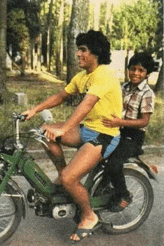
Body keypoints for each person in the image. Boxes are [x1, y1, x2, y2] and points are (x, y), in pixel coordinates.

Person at [23, 29, 122, 242]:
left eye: (83, 50)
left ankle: (88, 215)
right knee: (44, 133)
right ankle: (65, 178)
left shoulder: (104, 75)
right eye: (78, 50)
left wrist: (64, 128)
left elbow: (87, 104)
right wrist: (35, 109)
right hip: (87, 130)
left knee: (70, 177)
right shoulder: (82, 76)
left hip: (105, 135)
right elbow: (61, 96)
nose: (78, 54)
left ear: (96, 53)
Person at [102, 52, 156, 211]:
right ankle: (102, 190)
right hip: (116, 131)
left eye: (141, 70)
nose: (136, 73)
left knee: (114, 163)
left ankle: (123, 194)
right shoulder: (123, 87)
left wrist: (120, 122)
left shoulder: (147, 93)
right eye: (133, 69)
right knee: (94, 154)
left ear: (147, 74)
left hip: (133, 137)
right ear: (128, 69)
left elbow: (144, 121)